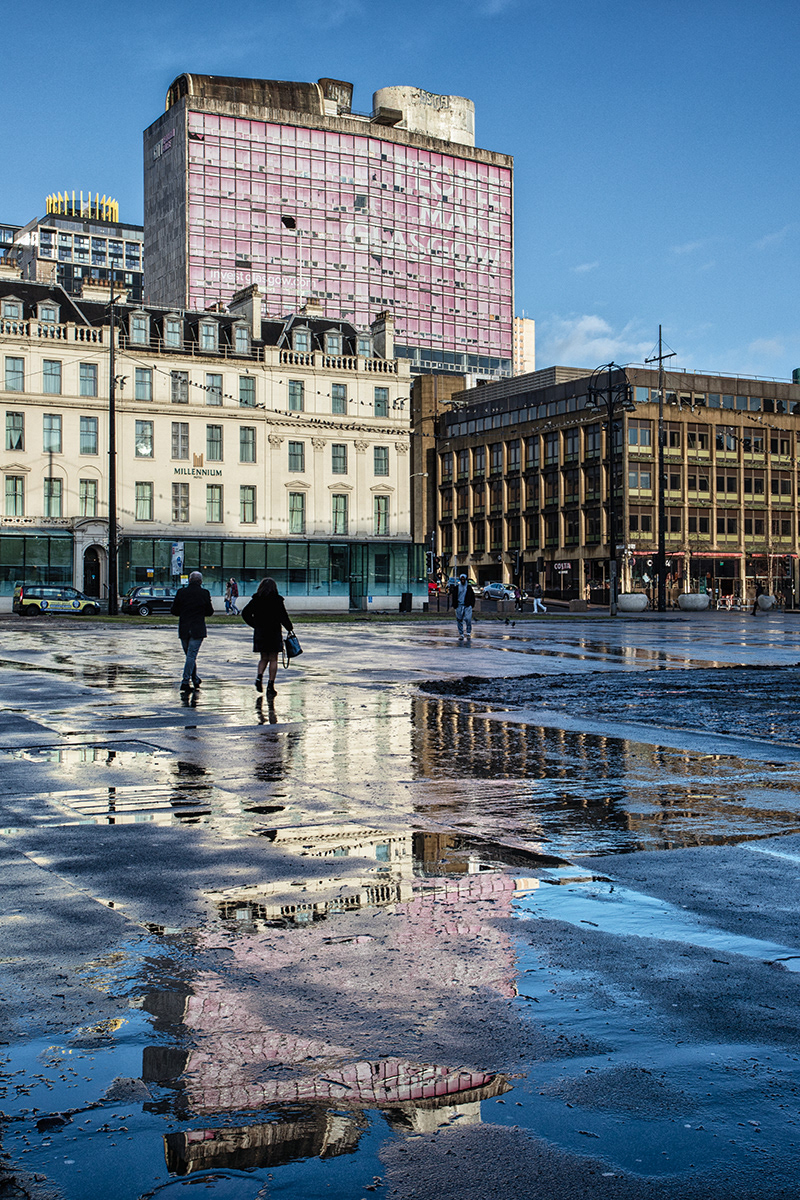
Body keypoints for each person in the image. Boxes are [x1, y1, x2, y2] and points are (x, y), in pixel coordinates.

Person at [241, 577, 294, 698]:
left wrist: (255, 624)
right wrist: (289, 627)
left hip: (261, 632)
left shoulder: (256, 599)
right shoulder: (277, 600)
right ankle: (271, 685)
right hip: (274, 632)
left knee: (263, 658)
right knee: (273, 659)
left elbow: (245, 613)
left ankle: (259, 677)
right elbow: (283, 616)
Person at [171, 571, 214, 692]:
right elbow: (209, 611)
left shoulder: (181, 592)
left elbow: (174, 610)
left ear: (189, 580)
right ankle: (185, 681)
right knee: (191, 655)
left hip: (184, 627)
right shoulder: (204, 593)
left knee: (189, 655)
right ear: (200, 581)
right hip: (197, 628)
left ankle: (194, 678)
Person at [448, 573, 475, 642]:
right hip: (459, 605)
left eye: (464, 579)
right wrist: (455, 605)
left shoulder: (468, 588)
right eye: (461, 579)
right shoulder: (457, 588)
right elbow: (454, 596)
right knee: (459, 619)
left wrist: (471, 604)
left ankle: (468, 633)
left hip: (467, 606)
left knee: (468, 619)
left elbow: (472, 596)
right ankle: (461, 634)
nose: (463, 580)